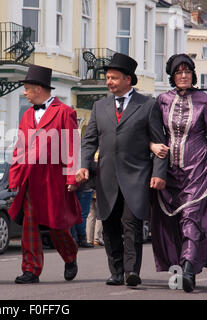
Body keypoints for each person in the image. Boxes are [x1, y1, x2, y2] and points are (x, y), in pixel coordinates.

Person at [76, 53, 168, 287]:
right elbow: (89, 141)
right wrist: (83, 166)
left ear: (128, 79)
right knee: (109, 224)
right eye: (107, 78)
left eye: (114, 78)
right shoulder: (99, 106)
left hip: (137, 177)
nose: (109, 82)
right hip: (106, 178)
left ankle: (131, 272)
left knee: (132, 225)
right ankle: (116, 271)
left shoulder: (147, 105)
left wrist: (159, 173)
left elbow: (159, 143)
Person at [150, 53, 207, 293]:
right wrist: (152, 146)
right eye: (179, 72)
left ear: (193, 74)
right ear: (172, 75)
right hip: (169, 172)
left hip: (198, 170)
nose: (183, 76)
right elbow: (152, 134)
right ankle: (178, 269)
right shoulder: (162, 100)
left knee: (192, 219)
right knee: (172, 223)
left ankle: (189, 269)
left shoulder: (205, 100)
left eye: (187, 71)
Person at [8, 64, 81, 284]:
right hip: (31, 179)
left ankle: (70, 255)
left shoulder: (65, 112)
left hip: (54, 179)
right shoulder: (27, 114)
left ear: (38, 89)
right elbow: (19, 147)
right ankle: (30, 270)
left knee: (56, 225)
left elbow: (72, 146)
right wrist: (15, 176)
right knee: (30, 226)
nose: (25, 93)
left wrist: (72, 177)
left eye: (27, 89)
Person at [71, 160, 95, 248]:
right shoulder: (86, 155)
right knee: (82, 214)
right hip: (85, 187)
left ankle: (75, 238)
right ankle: (80, 239)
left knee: (74, 214)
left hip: (74, 186)